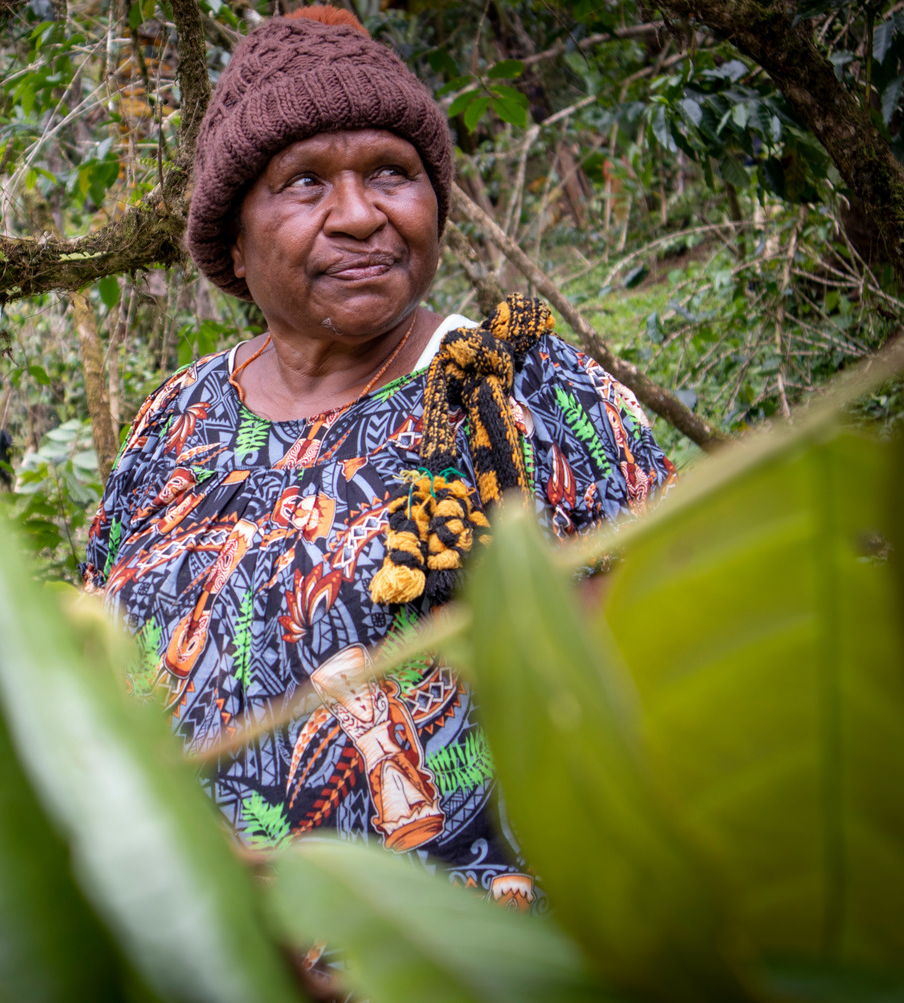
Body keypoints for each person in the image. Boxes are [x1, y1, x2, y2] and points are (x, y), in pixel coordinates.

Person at [80, 5, 674, 906]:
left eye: (391, 173)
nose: (359, 215)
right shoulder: (174, 421)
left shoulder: (516, 389)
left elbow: (646, 696)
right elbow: (95, 676)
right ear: (234, 244)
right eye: (305, 183)